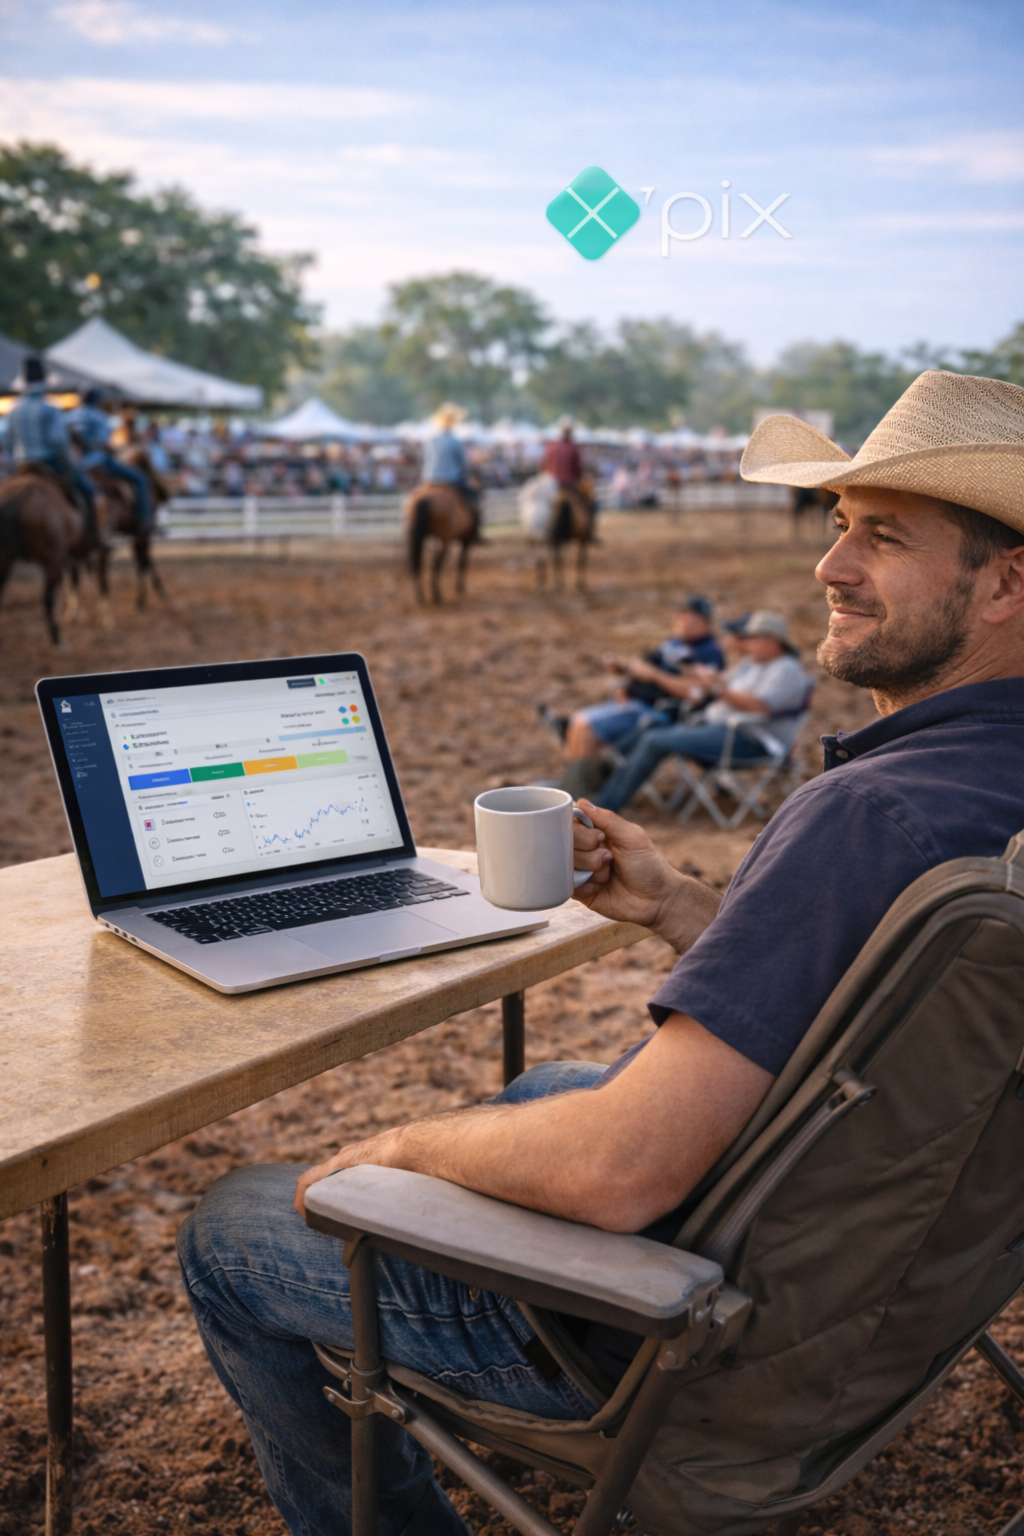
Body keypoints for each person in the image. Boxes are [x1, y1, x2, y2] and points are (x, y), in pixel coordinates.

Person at [178, 369, 1024, 1536]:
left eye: (881, 539)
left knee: (235, 1224)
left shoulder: (869, 819)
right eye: (837, 529)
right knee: (540, 1087)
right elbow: (882, 1008)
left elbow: (623, 1175)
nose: (828, 568)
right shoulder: (984, 797)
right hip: (882, 1288)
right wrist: (682, 906)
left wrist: (395, 1147)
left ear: (1004, 584)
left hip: (686, 1342)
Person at [593, 609, 811, 814]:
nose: (746, 643)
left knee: (654, 740)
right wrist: (701, 676)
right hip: (716, 728)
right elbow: (722, 682)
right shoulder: (752, 663)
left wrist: (717, 689)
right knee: (654, 725)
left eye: (751, 638)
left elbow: (760, 707)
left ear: (773, 640)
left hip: (746, 739)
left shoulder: (786, 669)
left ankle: (605, 804)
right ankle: (602, 775)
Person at [545, 594, 725, 764]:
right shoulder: (674, 643)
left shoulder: (708, 652)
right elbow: (647, 666)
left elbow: (695, 693)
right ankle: (571, 788)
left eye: (683, 616)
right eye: (677, 615)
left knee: (585, 728)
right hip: (635, 701)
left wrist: (655, 676)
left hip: (658, 713)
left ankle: (583, 790)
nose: (676, 620)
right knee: (576, 725)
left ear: (701, 621)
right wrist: (625, 668)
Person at [5, 356, 102, 540]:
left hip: (22, 466)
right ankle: (94, 536)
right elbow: (57, 442)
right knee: (89, 491)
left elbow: (9, 443)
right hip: (48, 462)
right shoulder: (49, 408)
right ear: (44, 382)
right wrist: (68, 465)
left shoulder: (13, 410)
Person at [70, 387, 153, 528]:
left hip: (76, 464)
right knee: (140, 478)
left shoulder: (70, 416)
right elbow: (104, 445)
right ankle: (144, 518)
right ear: (96, 401)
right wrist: (115, 450)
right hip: (98, 462)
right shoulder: (99, 416)